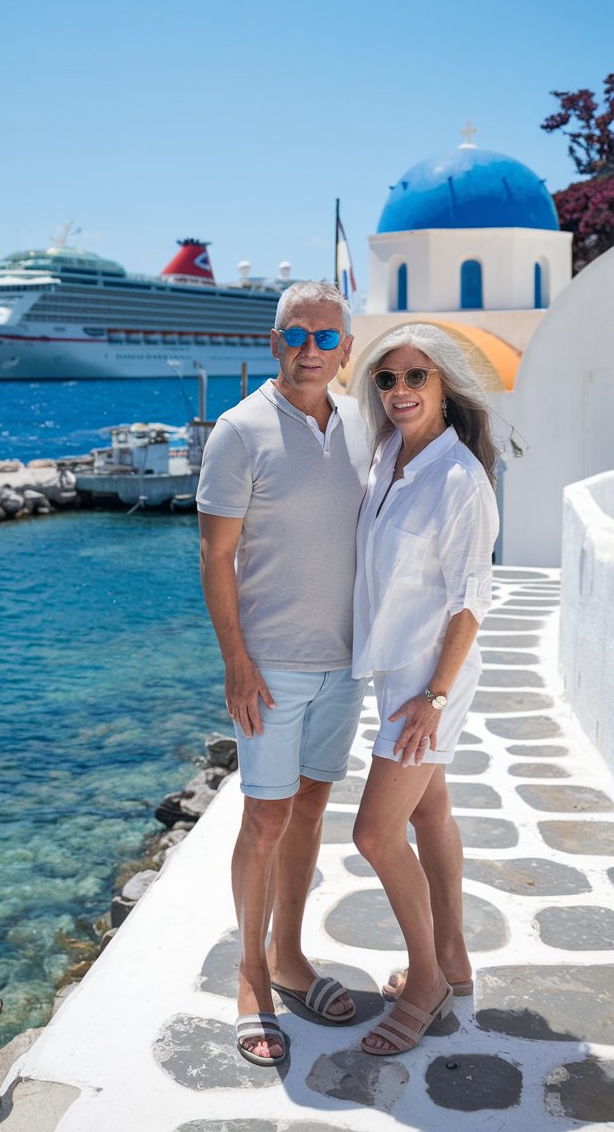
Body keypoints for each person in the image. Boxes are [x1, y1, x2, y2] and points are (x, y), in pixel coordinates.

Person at [197, 281, 370, 1066]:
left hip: (347, 662)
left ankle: (290, 958)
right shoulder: (238, 431)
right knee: (264, 819)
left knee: (308, 813)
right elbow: (217, 554)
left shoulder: (362, 425)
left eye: (326, 338)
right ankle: (249, 975)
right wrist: (236, 662)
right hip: (271, 668)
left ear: (346, 347)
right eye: (296, 334)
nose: (310, 349)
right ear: (273, 341)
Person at [351, 323, 499, 1057]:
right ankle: (455, 958)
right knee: (431, 809)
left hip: (429, 683)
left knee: (375, 833)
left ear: (443, 388)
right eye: (388, 379)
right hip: (396, 672)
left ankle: (428, 987)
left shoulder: (459, 477)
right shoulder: (386, 455)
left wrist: (435, 697)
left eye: (416, 378)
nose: (400, 391)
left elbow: (472, 600)